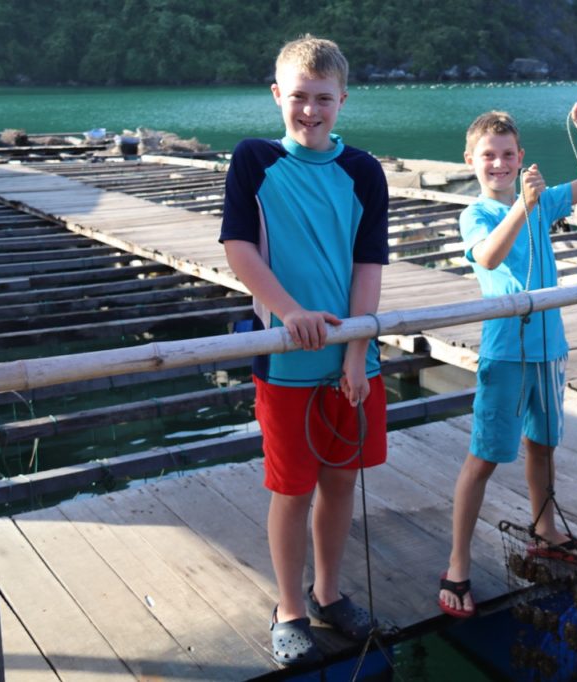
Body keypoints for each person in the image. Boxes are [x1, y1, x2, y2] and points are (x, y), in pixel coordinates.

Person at [219, 35, 389, 665]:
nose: (310, 110)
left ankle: (328, 592)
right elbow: (240, 249)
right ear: (276, 96)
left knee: (341, 481)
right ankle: (290, 607)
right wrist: (289, 312)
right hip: (286, 362)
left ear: (342, 99)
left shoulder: (363, 171)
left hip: (351, 360)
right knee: (291, 489)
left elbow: (368, 265)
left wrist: (353, 350)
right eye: (298, 97)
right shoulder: (254, 160)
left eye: (323, 98)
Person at [438, 106, 577, 618]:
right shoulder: (477, 213)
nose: (499, 163)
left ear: (521, 158)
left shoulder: (541, 199)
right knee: (485, 457)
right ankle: (457, 564)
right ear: (471, 160)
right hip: (506, 352)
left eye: (508, 155)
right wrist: (524, 206)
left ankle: (545, 529)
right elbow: (488, 257)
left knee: (544, 445)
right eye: (489, 156)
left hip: (549, 349)